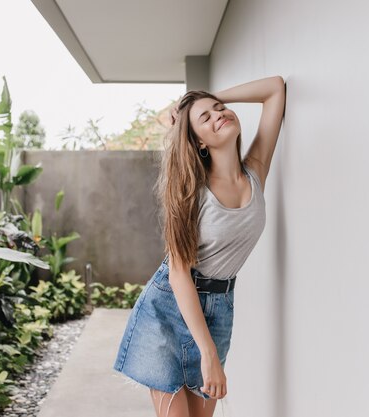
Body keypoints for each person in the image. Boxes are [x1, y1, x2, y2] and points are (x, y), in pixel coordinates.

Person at [112, 76, 286, 417]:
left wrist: (204, 99)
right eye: (206, 118)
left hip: (219, 308)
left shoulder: (255, 173)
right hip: (169, 308)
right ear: (200, 143)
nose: (219, 114)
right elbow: (179, 274)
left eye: (220, 109)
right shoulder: (191, 191)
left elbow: (275, 89)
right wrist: (208, 355)